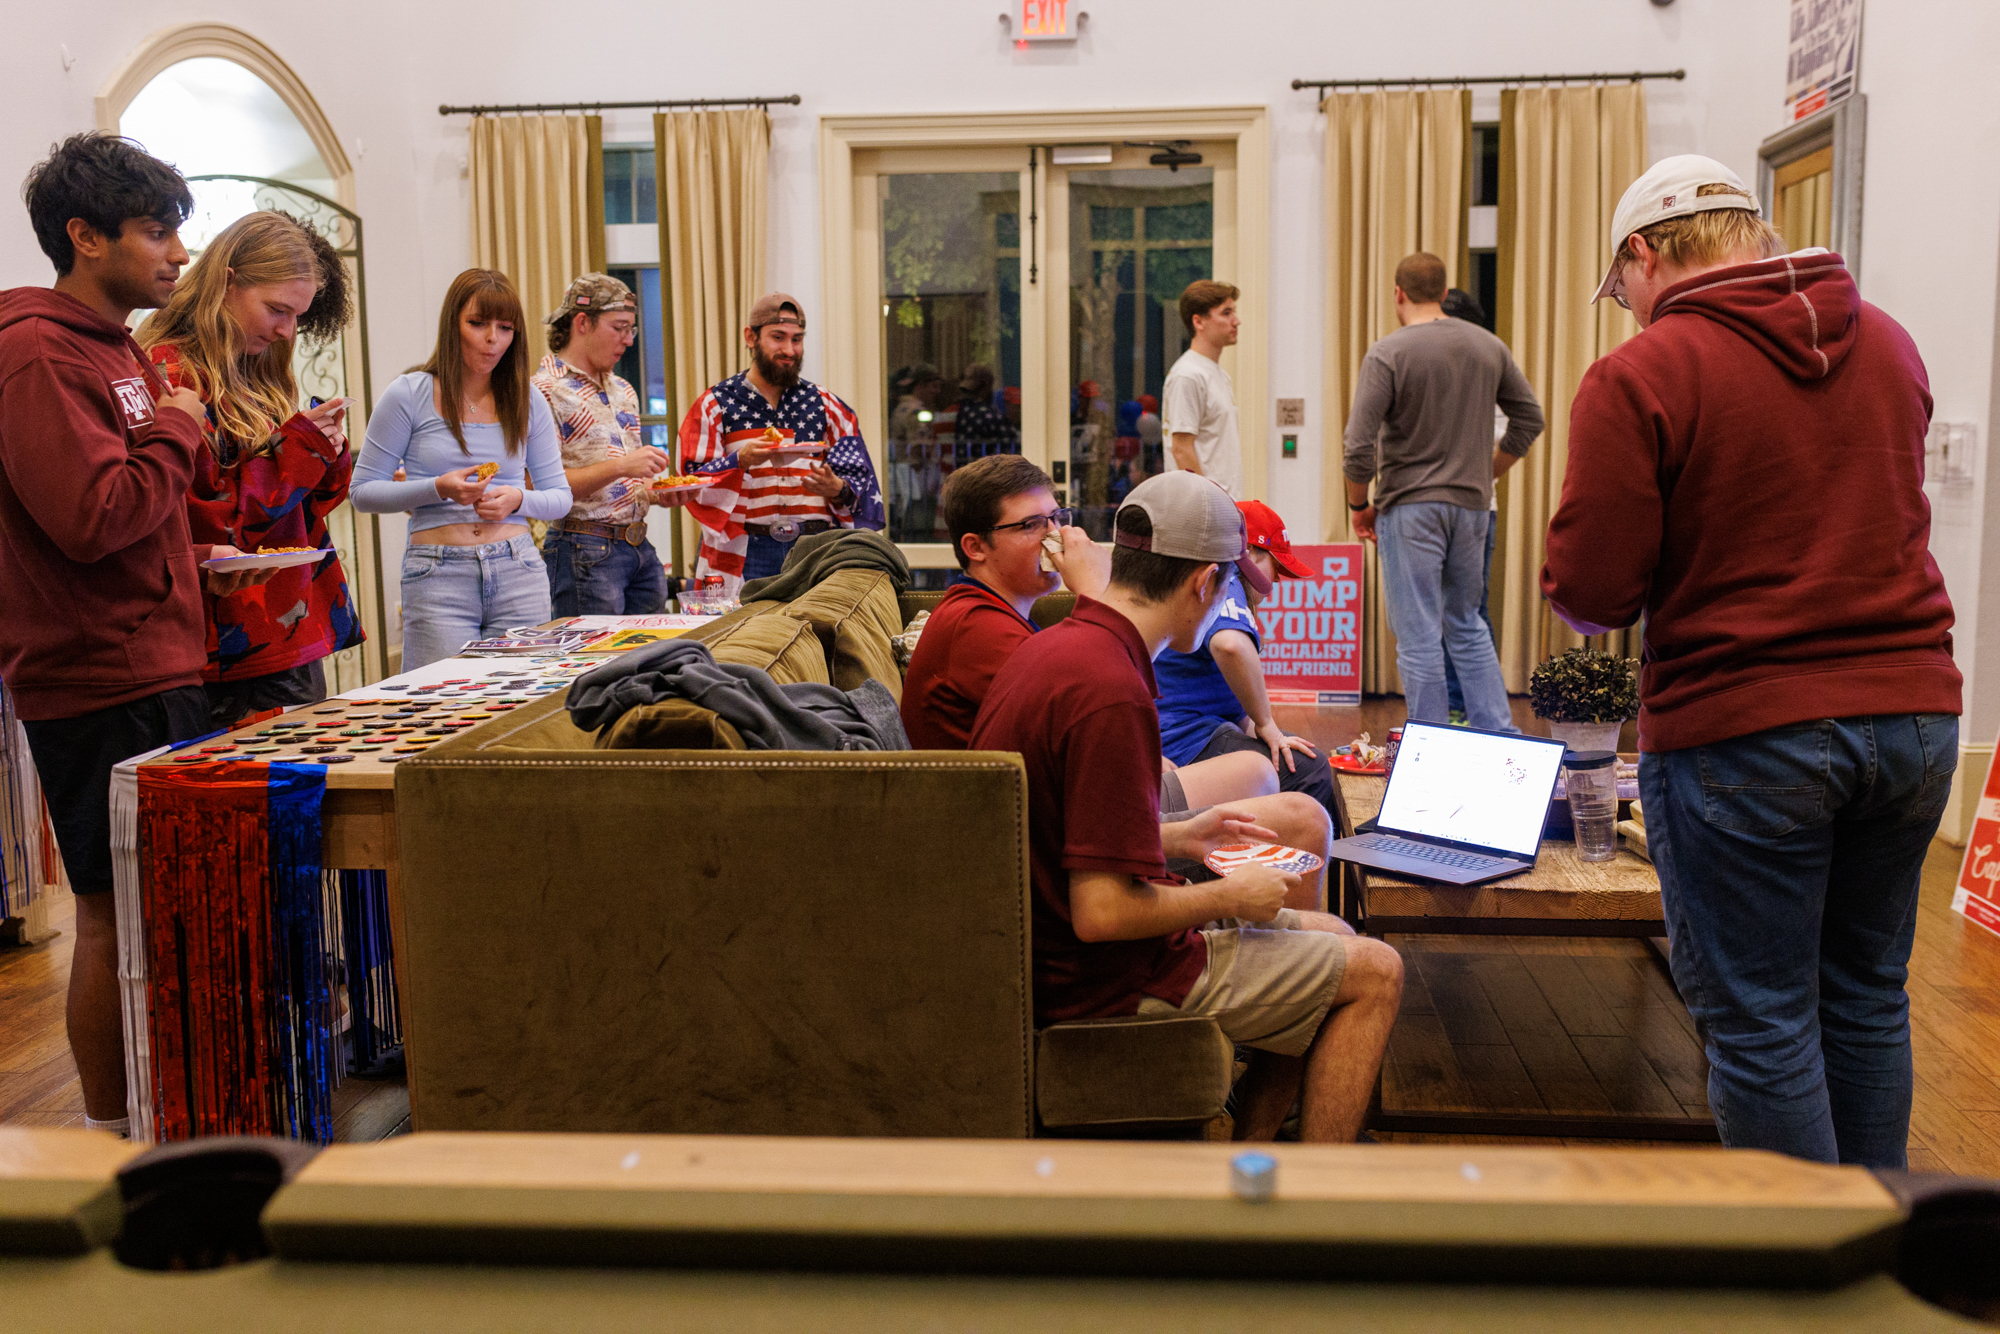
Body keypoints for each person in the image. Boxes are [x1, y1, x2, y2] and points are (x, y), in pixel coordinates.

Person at [1542, 155, 1961, 1169]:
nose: (1627, 310)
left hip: (1744, 725)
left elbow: (1590, 593)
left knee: (1761, 1018)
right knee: (1863, 994)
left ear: (1641, 254)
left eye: (1621, 287)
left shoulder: (1642, 374)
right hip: (1912, 717)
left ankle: (1798, 1288)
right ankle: (1874, 1257)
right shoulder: (1889, 344)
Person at [969, 472, 1402, 1142]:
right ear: (1204, 583)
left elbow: (1060, 829)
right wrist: (1238, 896)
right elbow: (1102, 912)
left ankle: (1252, 1162)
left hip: (1048, 948)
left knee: (1339, 939)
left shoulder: (1060, 648)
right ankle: (1321, 1219)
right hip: (1098, 979)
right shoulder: (1111, 688)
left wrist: (1183, 835)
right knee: (1378, 970)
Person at [0, 133, 277, 1136]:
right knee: (117, 915)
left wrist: (192, 530)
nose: (176, 254)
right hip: (95, 677)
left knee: (165, 915)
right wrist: (176, 426)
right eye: (156, 232)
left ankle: (179, 1116)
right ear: (84, 236)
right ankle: (111, 1137)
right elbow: (89, 517)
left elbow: (135, 509)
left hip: (156, 658)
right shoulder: (33, 351)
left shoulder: (114, 347)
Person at [902, 455, 1336, 912]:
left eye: (1057, 517)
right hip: (1034, 839)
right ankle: (1286, 942)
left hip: (1054, 810)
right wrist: (1095, 592)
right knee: (1293, 805)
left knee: (1262, 775)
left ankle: (1288, 938)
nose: (1056, 536)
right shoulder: (979, 628)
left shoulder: (997, 617)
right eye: (1032, 525)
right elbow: (1088, 681)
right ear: (976, 547)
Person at [137, 210, 362, 727]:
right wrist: (300, 449)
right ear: (227, 282)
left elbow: (305, 514)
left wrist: (326, 454)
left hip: (290, 625)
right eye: (277, 309)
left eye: (297, 316)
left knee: (308, 796)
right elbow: (218, 521)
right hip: (231, 644)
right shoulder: (173, 375)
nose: (287, 331)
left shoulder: (256, 366)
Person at [1342, 252, 1543, 731]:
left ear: (1398, 294)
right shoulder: (1488, 346)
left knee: (1418, 635)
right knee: (1467, 624)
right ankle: (1501, 735)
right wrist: (1487, 470)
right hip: (1472, 508)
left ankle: (1429, 745)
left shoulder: (1388, 353)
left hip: (1410, 508)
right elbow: (1530, 419)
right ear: (1442, 290)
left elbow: (1357, 446)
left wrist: (1358, 505)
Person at [352, 270, 571, 670]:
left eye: (505, 328)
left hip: (518, 568)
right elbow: (363, 492)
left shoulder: (527, 400)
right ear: (452, 324)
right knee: (439, 710)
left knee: (523, 705)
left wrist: (518, 498)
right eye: (477, 324)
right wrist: (437, 488)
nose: (492, 339)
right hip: (437, 573)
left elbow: (560, 498)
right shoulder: (409, 393)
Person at [679, 292, 884, 591]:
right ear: (751, 337)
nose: (790, 349)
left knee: (816, 633)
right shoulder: (714, 405)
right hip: (746, 550)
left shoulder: (827, 405)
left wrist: (838, 489)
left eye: (797, 339)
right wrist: (739, 461)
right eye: (778, 337)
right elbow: (690, 482)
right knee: (743, 635)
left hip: (814, 548)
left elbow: (860, 482)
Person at [1155, 499, 1341, 826]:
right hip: (1184, 740)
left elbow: (1230, 703)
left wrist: (1269, 731)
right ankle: (1294, 871)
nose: (1278, 582)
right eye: (1277, 567)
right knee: (1311, 771)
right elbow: (1230, 646)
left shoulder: (1211, 580)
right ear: (1250, 554)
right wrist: (1268, 723)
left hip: (1192, 730)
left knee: (1296, 754)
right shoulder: (1230, 576)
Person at [533, 273, 676, 617]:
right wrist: (623, 467)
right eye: (619, 328)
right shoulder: (542, 391)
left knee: (656, 659)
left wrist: (657, 493)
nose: (628, 340)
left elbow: (629, 480)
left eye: (632, 330)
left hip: (639, 547)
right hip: (583, 550)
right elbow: (540, 488)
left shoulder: (623, 390)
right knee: (599, 665)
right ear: (582, 322)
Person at [1437, 287, 1502, 721]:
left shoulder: (1486, 364)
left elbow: (1508, 430)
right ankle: (1446, 712)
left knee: (1468, 612)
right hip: (1425, 509)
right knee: (1432, 616)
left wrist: (1475, 474)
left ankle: (1473, 711)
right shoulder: (1423, 364)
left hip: (1474, 507)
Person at [1162, 280, 1243, 498]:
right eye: (1226, 313)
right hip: (1204, 512)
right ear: (1198, 321)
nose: (1236, 321)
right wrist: (1209, 504)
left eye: (1233, 312)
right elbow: (1181, 448)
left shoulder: (1218, 374)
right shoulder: (1188, 375)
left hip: (1226, 507)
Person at [886, 362, 943, 541]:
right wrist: (926, 477)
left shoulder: (901, 408)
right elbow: (919, 447)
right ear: (920, 386)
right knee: (918, 525)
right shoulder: (915, 411)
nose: (937, 391)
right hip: (916, 476)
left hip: (904, 473)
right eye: (934, 386)